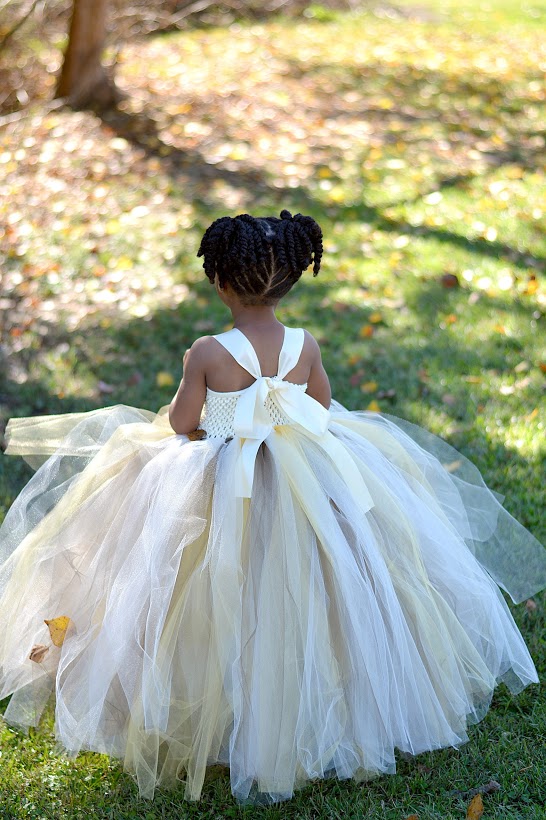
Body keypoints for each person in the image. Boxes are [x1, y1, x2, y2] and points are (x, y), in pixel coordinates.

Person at [0, 210, 545, 806]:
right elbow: (322, 405)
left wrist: (219, 416)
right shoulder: (304, 344)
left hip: (222, 480)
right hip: (304, 474)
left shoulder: (208, 351)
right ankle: (334, 699)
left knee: (212, 585)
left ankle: (217, 707)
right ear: (291, 279)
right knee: (314, 584)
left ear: (219, 282)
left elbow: (184, 423)